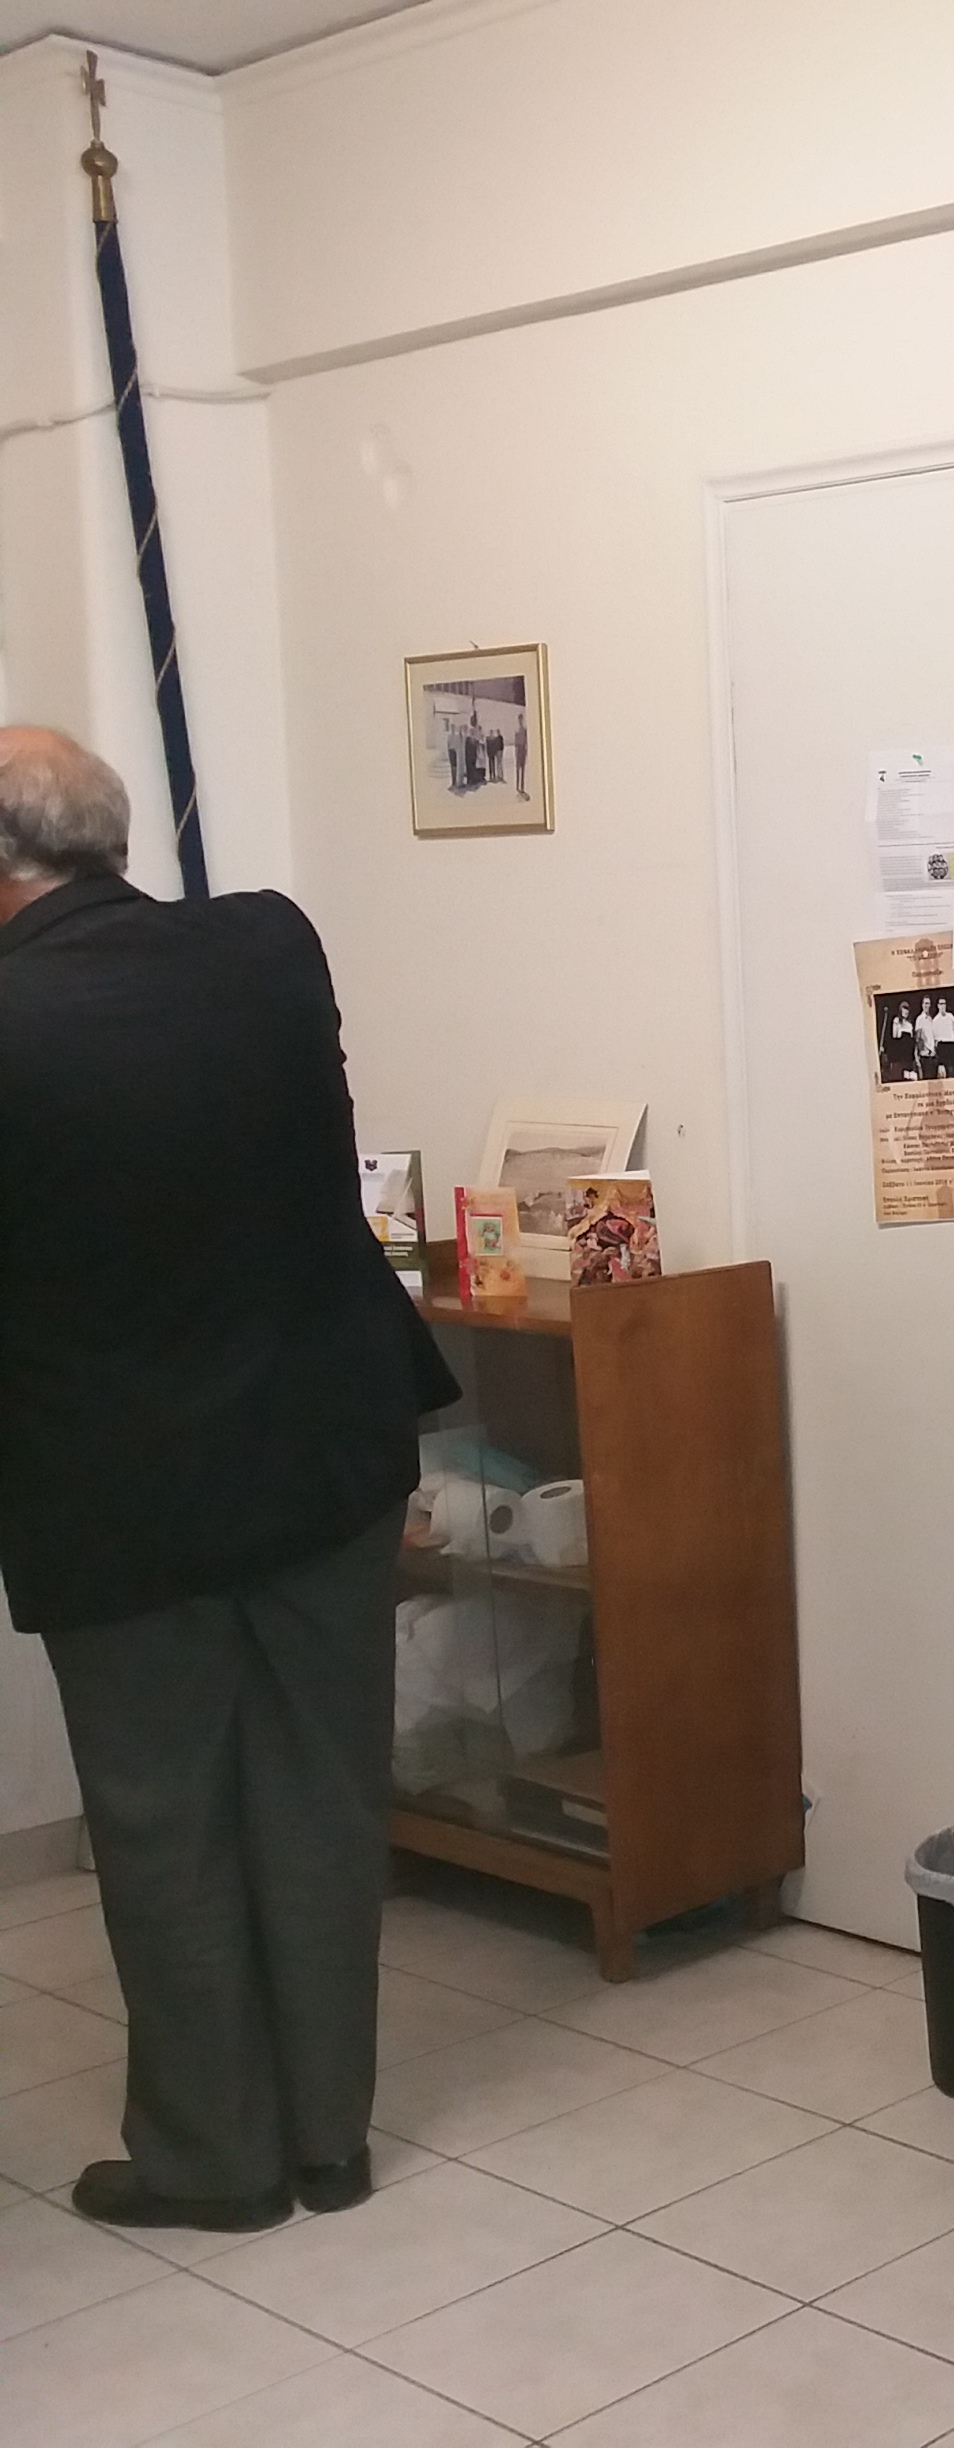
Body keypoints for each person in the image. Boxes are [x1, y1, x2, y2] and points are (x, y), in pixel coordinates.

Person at [0, 727, 456, 2233]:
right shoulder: (269, 944)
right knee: (323, 1796)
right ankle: (328, 2140)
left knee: (164, 1825)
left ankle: (216, 2160)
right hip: (324, 1454)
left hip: (119, 1495)